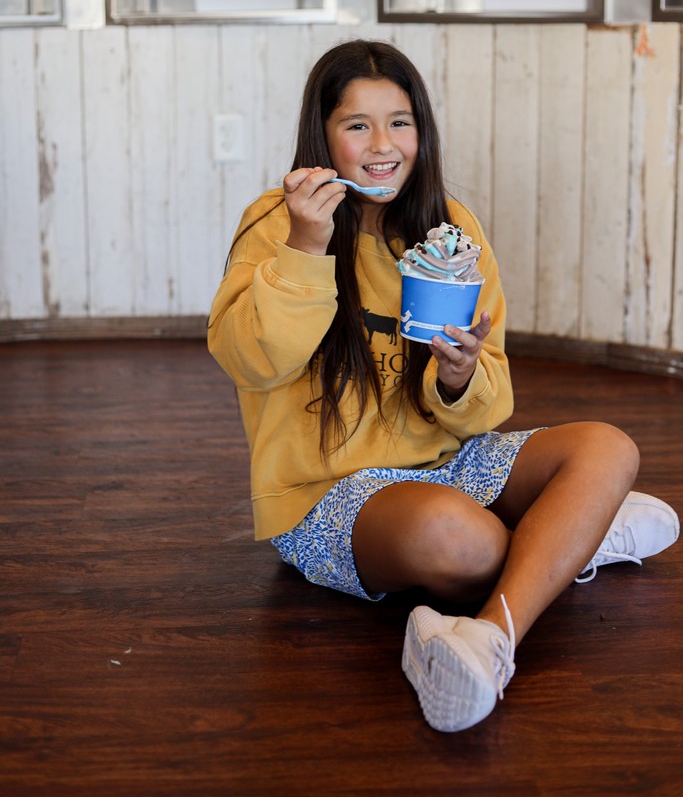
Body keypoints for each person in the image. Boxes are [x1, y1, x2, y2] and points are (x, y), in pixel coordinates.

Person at [208, 39, 679, 732]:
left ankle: (488, 639)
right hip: (327, 493)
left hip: (445, 464)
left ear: (421, 131)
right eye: (356, 124)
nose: (382, 145)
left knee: (607, 447)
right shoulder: (277, 223)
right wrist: (306, 249)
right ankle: (566, 542)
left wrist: (458, 378)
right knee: (466, 545)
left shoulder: (452, 231)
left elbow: (490, 398)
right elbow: (253, 361)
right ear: (323, 135)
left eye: (399, 122)